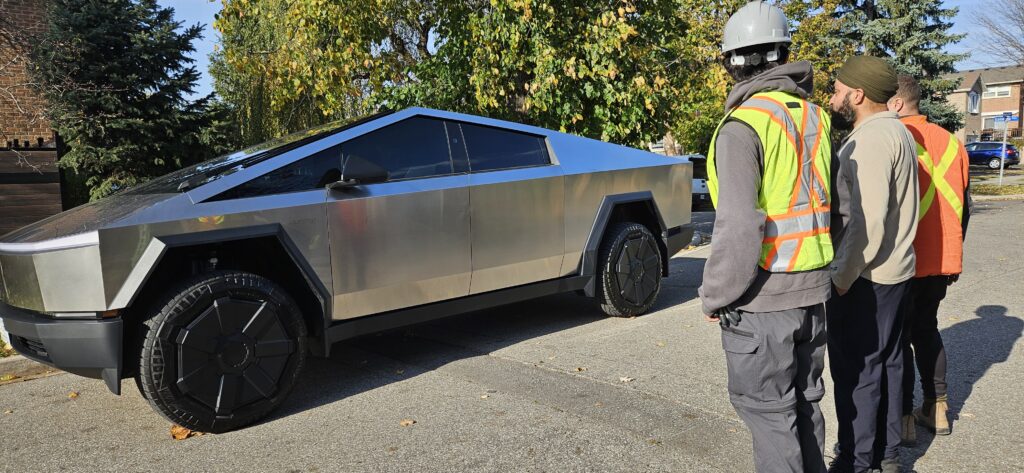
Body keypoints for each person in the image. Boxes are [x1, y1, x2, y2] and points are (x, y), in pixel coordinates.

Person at [700, 2, 834, 472]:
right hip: (813, 295)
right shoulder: (815, 118)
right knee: (804, 405)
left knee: (771, 416)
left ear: (734, 62)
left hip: (763, 301)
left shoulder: (743, 127)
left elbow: (738, 226)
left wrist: (715, 295)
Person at [826, 56, 920, 473]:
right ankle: (885, 453)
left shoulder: (872, 140)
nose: (833, 96)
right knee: (887, 363)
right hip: (893, 272)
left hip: (868, 276)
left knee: (858, 371)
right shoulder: (894, 130)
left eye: (837, 88)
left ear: (858, 94)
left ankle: (856, 461)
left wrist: (842, 278)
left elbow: (868, 221)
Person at [887, 74, 971, 443]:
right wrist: (954, 253)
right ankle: (937, 408)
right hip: (942, 259)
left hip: (904, 258)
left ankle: (904, 418)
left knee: (900, 338)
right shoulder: (953, 143)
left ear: (898, 104)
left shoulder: (896, 139)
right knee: (927, 329)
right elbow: (964, 206)